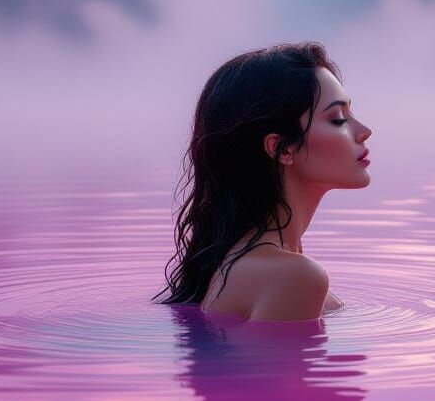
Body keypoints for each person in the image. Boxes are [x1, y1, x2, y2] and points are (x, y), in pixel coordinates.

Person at [153, 41, 372, 321]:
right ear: (283, 148)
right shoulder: (293, 276)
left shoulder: (255, 260)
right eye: (338, 119)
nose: (364, 131)